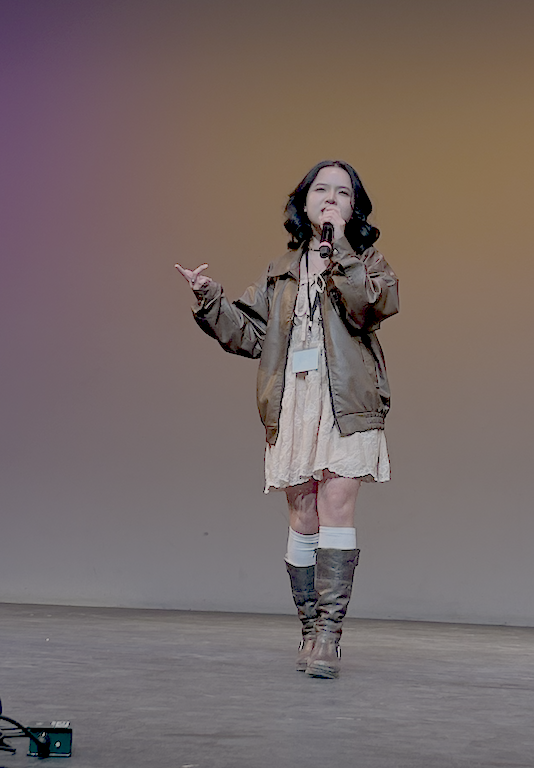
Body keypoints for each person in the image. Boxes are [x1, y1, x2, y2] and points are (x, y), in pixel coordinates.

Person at [175, 160, 398, 678]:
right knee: (304, 514)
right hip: (294, 402)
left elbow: (370, 306)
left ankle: (327, 639)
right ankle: (307, 628)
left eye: (342, 193)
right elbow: (251, 336)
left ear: (353, 208)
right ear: (303, 202)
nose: (330, 198)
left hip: (347, 401)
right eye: (321, 189)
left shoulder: (370, 264)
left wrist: (338, 250)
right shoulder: (279, 274)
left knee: (337, 502)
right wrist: (209, 300)